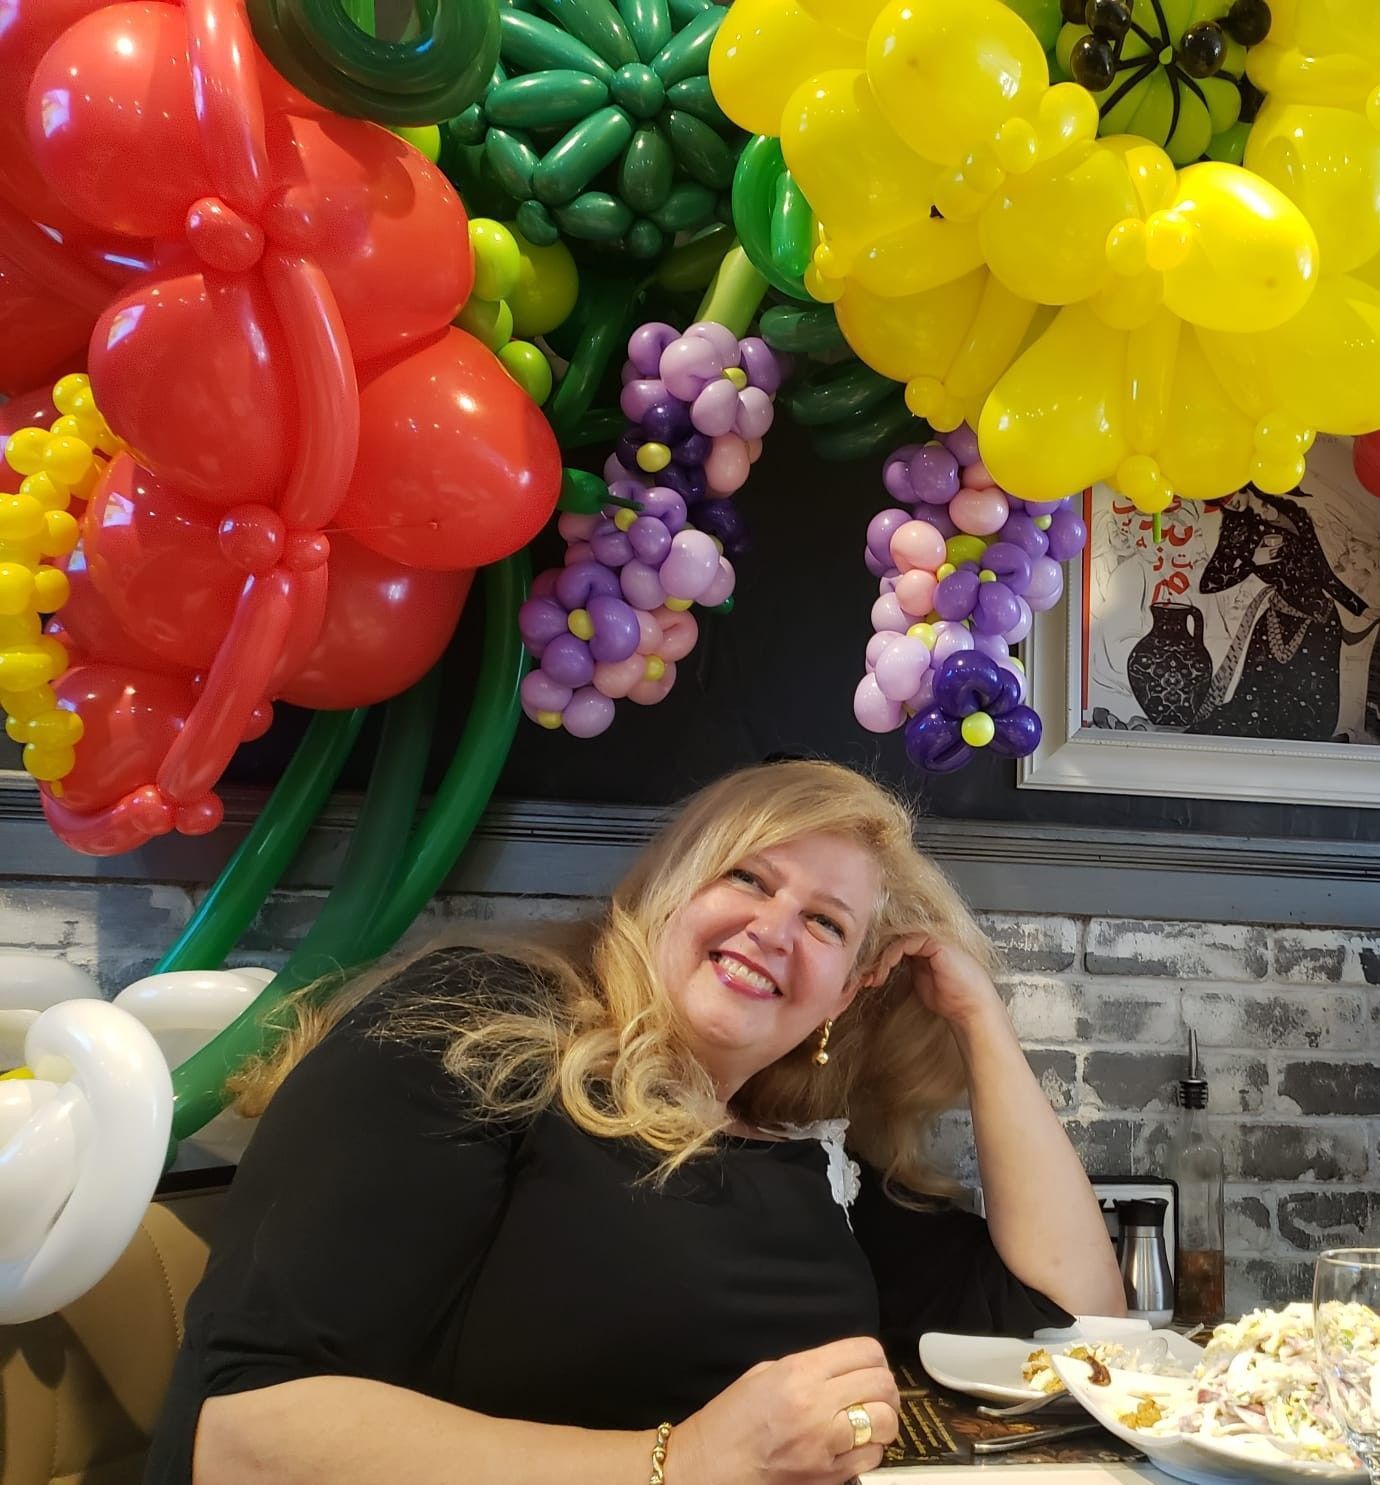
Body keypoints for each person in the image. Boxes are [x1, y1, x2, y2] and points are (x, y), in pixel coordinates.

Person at [148, 761, 1124, 1485]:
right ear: (668, 888)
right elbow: (242, 1439)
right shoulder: (483, 1028)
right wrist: (686, 1460)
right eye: (746, 878)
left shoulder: (795, 1156)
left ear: (845, 994)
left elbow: (1079, 1325)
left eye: (827, 924)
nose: (776, 928)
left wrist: (980, 1022)